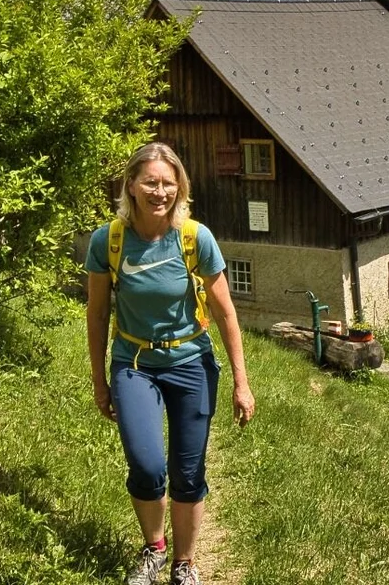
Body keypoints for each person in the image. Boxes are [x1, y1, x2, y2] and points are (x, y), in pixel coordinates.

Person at [86, 142, 256, 585]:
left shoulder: (194, 237)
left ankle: (184, 562)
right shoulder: (110, 241)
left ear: (180, 187)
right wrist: (99, 381)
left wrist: (242, 381)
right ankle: (154, 548)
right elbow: (98, 313)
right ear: (132, 186)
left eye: (168, 183)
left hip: (191, 362)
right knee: (145, 464)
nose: (159, 191)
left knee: (188, 469)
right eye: (150, 182)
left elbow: (224, 312)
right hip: (134, 362)